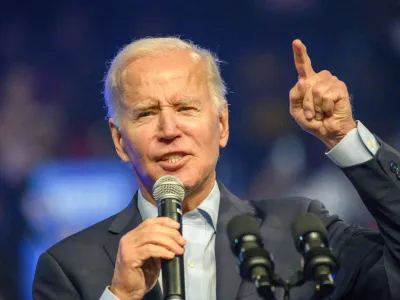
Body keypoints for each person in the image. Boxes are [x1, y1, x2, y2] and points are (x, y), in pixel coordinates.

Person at [32, 37, 400, 300]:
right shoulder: (68, 267)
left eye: (186, 109)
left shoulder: (303, 230)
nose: (169, 130)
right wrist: (121, 297)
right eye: (146, 113)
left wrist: (345, 136)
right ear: (118, 140)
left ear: (221, 124)